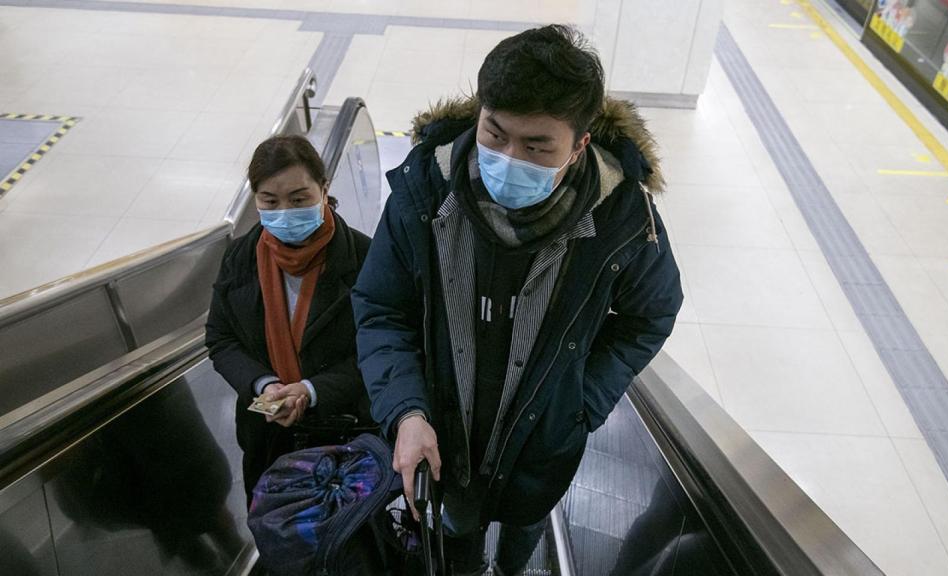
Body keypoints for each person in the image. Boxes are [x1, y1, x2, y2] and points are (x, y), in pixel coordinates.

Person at [352, 25, 683, 576]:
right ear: (481, 113)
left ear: (579, 146)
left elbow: (651, 314)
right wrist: (406, 410)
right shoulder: (426, 191)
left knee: (523, 530)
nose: (508, 157)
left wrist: (582, 402)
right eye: (495, 133)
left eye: (536, 147)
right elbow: (382, 308)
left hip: (540, 447)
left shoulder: (620, 218)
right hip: (441, 439)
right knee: (456, 545)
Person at [206, 135, 373, 501]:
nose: (285, 212)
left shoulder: (365, 258)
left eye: (299, 200)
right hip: (267, 439)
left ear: (324, 189)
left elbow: (380, 349)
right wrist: (264, 385)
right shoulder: (241, 257)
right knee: (274, 532)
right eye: (270, 201)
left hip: (345, 438)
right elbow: (221, 338)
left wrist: (312, 391)